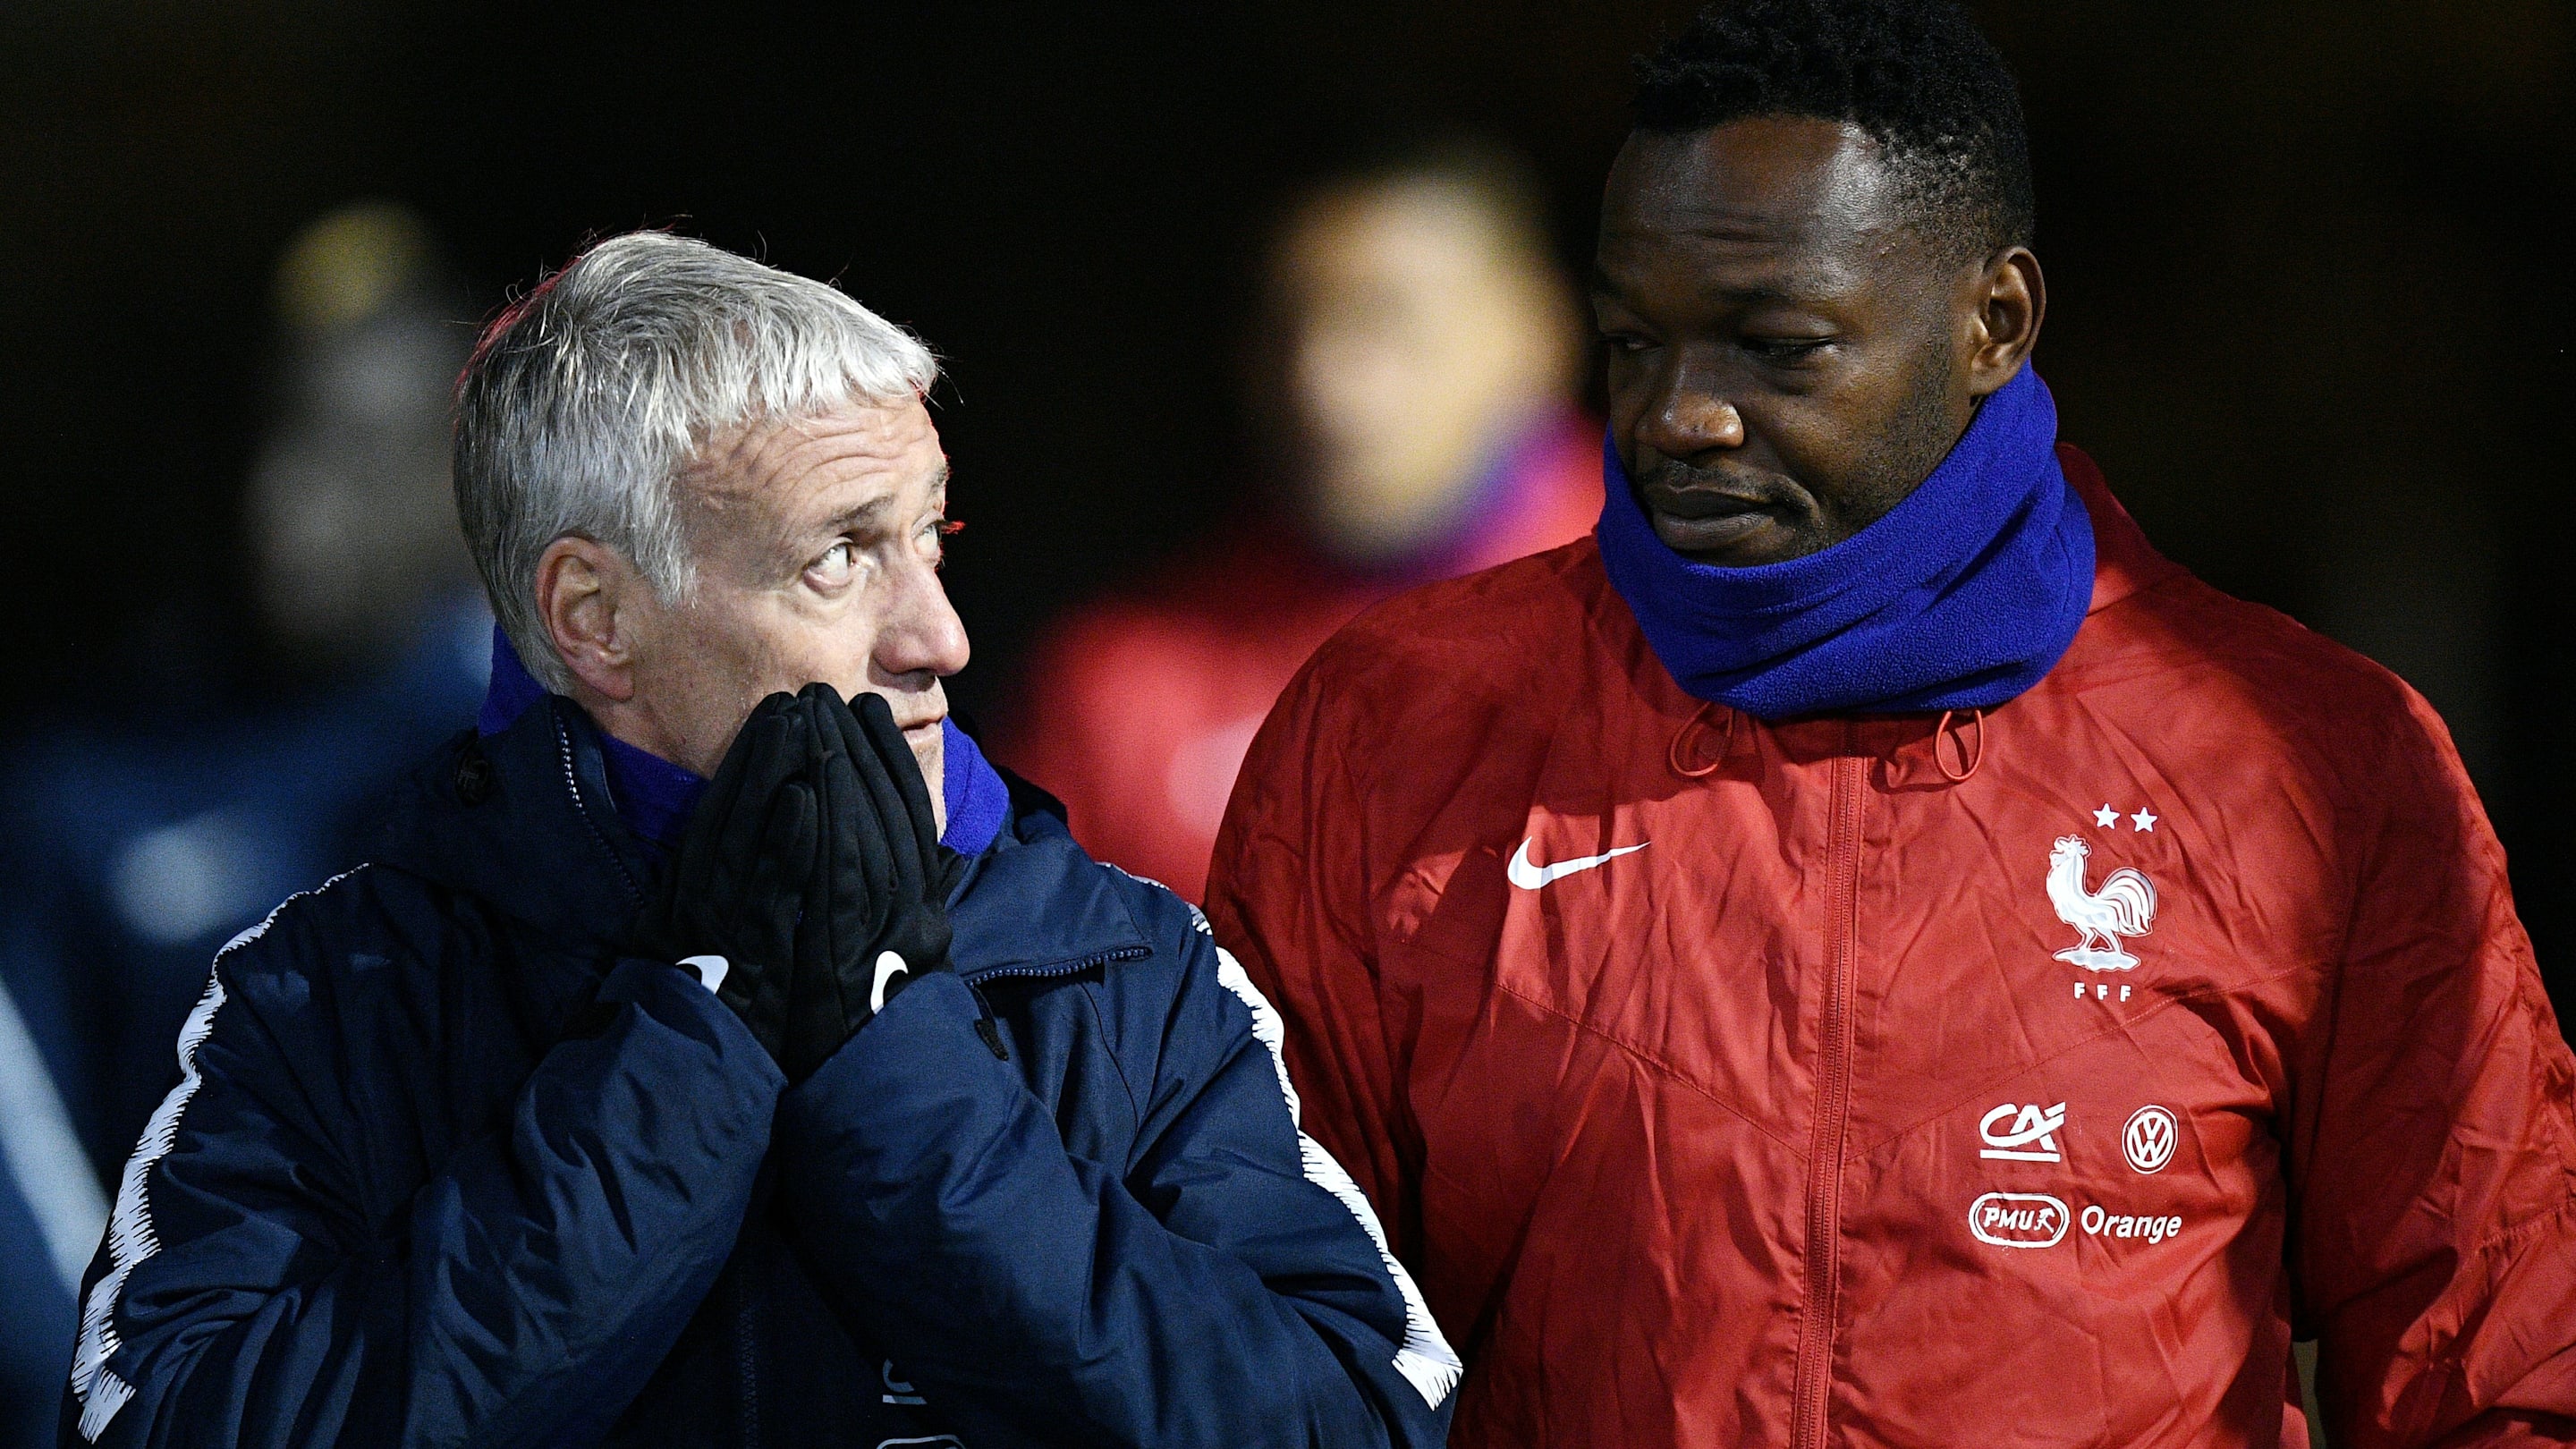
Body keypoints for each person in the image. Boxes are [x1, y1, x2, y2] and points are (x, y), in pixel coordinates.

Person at [1205, 3, 2576, 1445]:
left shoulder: (2303, 760)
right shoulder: (1398, 725)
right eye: (1632, 343)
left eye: (1776, 348)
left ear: (1995, 323)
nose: (1681, 415)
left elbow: (2502, 1363)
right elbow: (1265, 1346)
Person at [58, 231, 1456, 1448]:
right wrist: (686, 1058)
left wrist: (895, 1078)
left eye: (931, 537)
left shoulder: (1127, 967)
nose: (940, 636)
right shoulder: (325, 1001)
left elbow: (1367, 1417)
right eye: (839, 555)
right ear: (593, 618)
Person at [998, 141, 1597, 901]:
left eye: (1391, 326)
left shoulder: (1713, 613)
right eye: (1290, 328)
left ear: (1537, 330)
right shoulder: (1129, 687)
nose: (1322, 387)